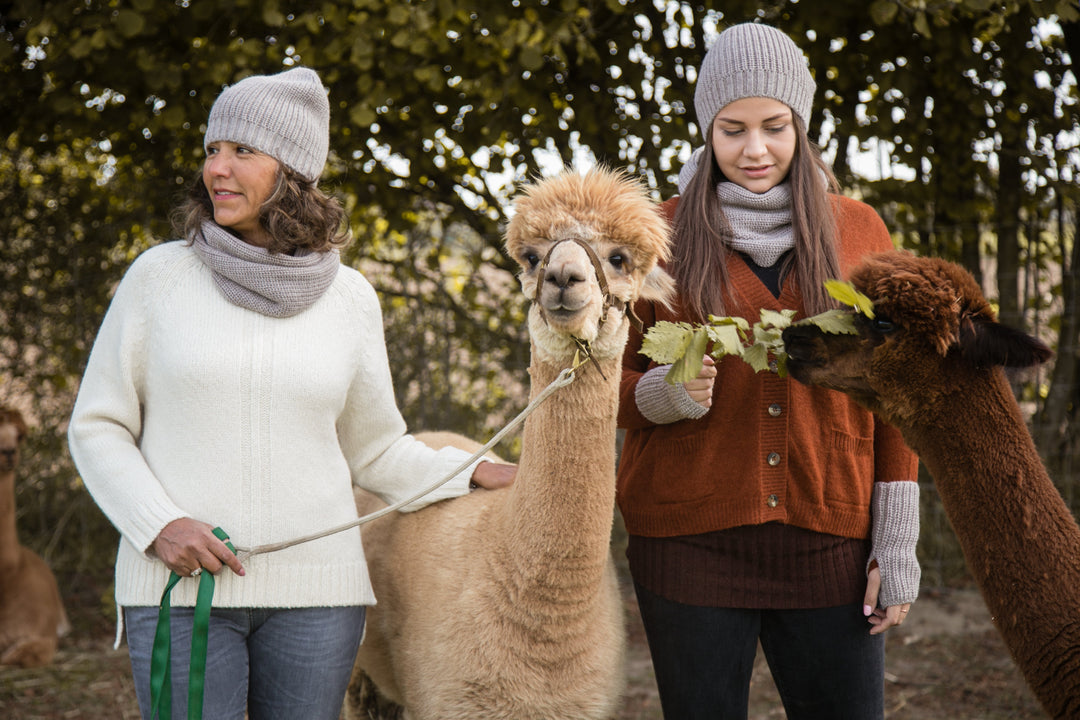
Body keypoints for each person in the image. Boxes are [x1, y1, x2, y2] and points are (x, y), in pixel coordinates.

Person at [67, 66, 514, 720]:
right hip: (183, 592)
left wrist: (478, 472)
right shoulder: (156, 279)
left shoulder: (351, 298)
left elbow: (379, 452)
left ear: (294, 173)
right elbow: (97, 425)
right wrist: (157, 524)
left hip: (318, 603)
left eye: (242, 151)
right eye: (212, 150)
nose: (217, 168)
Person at [616, 23, 921, 720]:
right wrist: (659, 396)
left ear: (801, 126)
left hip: (830, 540)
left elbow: (894, 388)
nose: (755, 150)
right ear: (707, 131)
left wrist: (896, 539)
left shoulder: (858, 230)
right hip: (687, 543)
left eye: (775, 127)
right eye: (733, 130)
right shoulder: (653, 236)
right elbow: (597, 388)